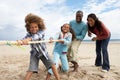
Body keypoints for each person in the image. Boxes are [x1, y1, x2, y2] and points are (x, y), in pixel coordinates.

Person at [17, 13, 60, 80]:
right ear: (28, 28)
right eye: (32, 27)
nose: (34, 29)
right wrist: (20, 42)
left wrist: (29, 39)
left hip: (44, 53)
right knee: (31, 70)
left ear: (39, 27)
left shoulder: (41, 32)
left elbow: (36, 36)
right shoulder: (28, 34)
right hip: (34, 54)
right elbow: (23, 39)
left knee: (53, 66)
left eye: (35, 27)